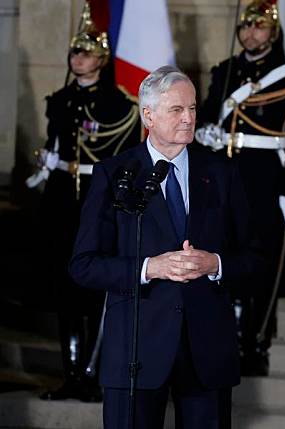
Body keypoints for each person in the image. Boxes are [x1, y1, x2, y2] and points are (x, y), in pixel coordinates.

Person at [69, 66, 262, 428]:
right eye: (177, 110)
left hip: (206, 350)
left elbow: (255, 258)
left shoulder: (222, 172)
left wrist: (215, 264)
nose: (189, 118)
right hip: (136, 350)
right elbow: (84, 265)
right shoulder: (114, 174)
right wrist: (149, 268)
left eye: (192, 109)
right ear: (148, 115)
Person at [196, 0, 285, 376]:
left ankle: (256, 343)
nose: (251, 33)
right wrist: (203, 132)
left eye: (259, 26)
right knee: (224, 258)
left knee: (261, 265)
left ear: (273, 32)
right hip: (224, 177)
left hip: (266, 182)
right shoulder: (225, 72)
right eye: (246, 27)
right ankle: (227, 337)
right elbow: (207, 116)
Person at [27, 2, 141, 402]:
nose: (79, 58)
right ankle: (72, 374)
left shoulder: (119, 105)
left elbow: (125, 159)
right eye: (76, 51)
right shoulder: (59, 100)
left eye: (88, 51)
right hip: (61, 202)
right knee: (65, 292)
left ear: (103, 58)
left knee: (94, 293)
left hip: (98, 203)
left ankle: (94, 375)